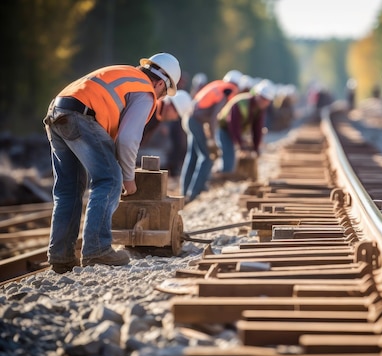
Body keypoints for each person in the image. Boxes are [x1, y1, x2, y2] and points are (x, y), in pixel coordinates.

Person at [43, 52, 181, 273]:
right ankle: (96, 249)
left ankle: (60, 256)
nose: (160, 100)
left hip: (57, 112)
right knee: (108, 179)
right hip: (81, 116)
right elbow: (128, 139)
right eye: (163, 94)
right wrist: (128, 179)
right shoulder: (145, 91)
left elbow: (113, 138)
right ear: (159, 82)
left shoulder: (126, 75)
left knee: (68, 189)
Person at [181, 70, 242, 200]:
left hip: (191, 119)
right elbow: (214, 117)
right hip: (196, 122)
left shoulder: (218, 86)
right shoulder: (227, 91)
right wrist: (213, 139)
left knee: (193, 156)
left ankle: (185, 192)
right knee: (207, 158)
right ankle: (194, 194)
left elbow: (208, 114)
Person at [216, 79, 276, 177]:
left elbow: (256, 129)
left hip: (235, 129)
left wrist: (256, 148)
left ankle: (229, 173)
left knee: (233, 154)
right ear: (258, 95)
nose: (265, 103)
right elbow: (233, 125)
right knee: (229, 154)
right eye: (263, 99)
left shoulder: (259, 109)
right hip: (225, 128)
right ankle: (224, 177)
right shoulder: (242, 103)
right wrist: (241, 144)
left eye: (267, 101)